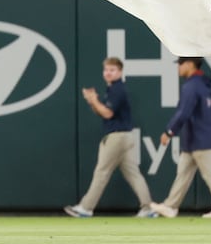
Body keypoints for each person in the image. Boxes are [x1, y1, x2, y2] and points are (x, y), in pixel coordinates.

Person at [63, 57, 157, 218]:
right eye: (106, 70)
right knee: (133, 174)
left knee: (102, 172)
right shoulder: (113, 88)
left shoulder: (117, 89)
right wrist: (93, 102)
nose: (108, 73)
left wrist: (94, 100)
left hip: (117, 137)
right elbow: (102, 112)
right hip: (125, 136)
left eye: (112, 70)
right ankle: (148, 208)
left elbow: (108, 113)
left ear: (120, 72)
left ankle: (86, 207)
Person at [151, 56, 211, 219]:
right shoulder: (202, 84)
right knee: (183, 175)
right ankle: (171, 206)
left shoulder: (192, 86)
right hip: (195, 139)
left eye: (180, 64)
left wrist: (169, 132)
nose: (178, 68)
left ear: (190, 64)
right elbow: (210, 114)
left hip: (200, 138)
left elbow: (183, 113)